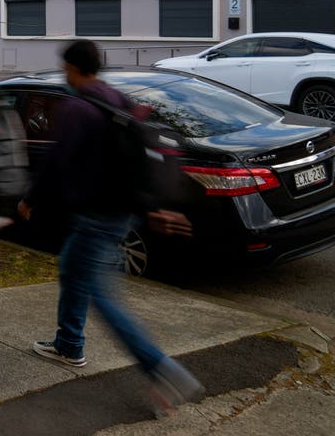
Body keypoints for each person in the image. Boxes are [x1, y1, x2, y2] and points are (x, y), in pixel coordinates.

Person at [17, 40, 203, 415]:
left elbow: (55, 162)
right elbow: (139, 157)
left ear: (72, 68)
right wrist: (150, 207)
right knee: (70, 266)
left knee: (104, 298)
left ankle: (161, 369)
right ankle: (68, 344)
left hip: (96, 216)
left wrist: (30, 198)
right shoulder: (116, 99)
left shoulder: (78, 108)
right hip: (121, 213)